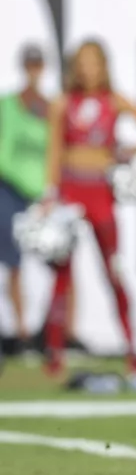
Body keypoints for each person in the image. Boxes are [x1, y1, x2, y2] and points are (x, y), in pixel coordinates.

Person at [44, 40, 136, 374]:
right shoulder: (63, 103)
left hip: (101, 191)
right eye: (82, 63)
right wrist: (50, 193)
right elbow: (54, 151)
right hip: (71, 190)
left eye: (93, 62)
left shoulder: (113, 100)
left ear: (103, 66)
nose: (88, 69)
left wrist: (124, 153)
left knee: (114, 270)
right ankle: (55, 353)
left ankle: (132, 350)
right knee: (62, 275)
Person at [0, 44, 50, 355]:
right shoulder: (8, 104)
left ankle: (56, 334)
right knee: (14, 263)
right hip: (8, 188)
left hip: (41, 196)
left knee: (61, 265)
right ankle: (21, 334)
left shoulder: (48, 108)